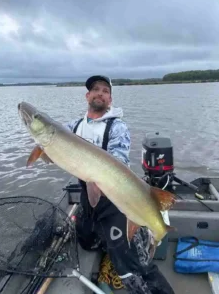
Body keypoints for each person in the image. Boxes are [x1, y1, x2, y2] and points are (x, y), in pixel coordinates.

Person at [67, 75, 175, 294]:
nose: (100, 93)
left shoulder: (117, 127)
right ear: (87, 95)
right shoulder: (75, 126)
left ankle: (139, 245)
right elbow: (54, 145)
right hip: (88, 197)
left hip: (115, 199)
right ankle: (113, 245)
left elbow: (119, 162)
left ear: (110, 99)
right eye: (95, 89)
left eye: (105, 90)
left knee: (132, 267)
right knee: (86, 241)